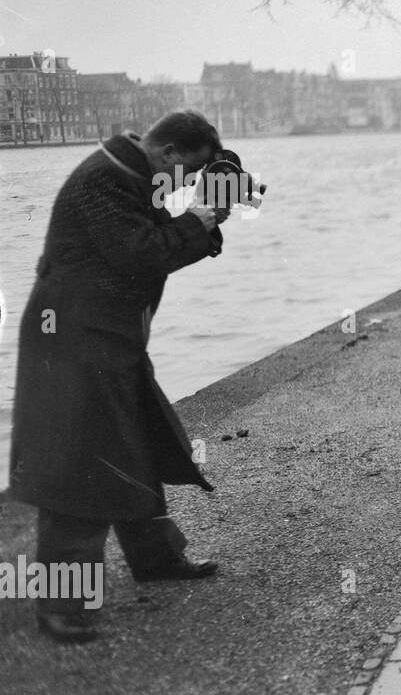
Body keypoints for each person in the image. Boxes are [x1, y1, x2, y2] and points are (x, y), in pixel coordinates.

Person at [8, 109, 234, 643]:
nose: (183, 185)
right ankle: (61, 607)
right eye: (188, 171)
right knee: (80, 464)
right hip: (73, 342)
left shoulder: (138, 172)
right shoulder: (106, 178)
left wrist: (216, 198)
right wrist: (199, 217)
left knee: (133, 439)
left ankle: (156, 558)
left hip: (107, 336)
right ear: (170, 154)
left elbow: (160, 246)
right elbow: (142, 254)